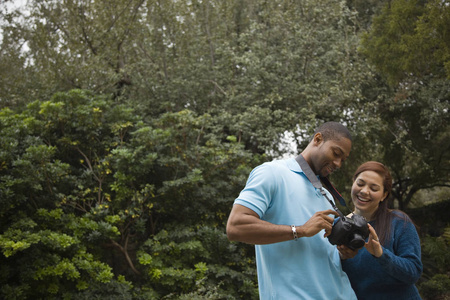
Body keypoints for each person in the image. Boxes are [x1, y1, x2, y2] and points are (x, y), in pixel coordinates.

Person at [226, 122, 358, 299]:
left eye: (343, 159)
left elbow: (321, 253)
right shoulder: (272, 173)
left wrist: (342, 254)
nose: (338, 163)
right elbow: (236, 227)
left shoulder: (326, 194)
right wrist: (300, 230)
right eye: (336, 153)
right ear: (318, 139)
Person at [340, 161, 423, 300]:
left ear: (384, 195)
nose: (364, 191)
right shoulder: (338, 226)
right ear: (353, 183)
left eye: (374, 188)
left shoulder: (399, 222)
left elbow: (413, 272)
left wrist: (381, 254)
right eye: (360, 184)